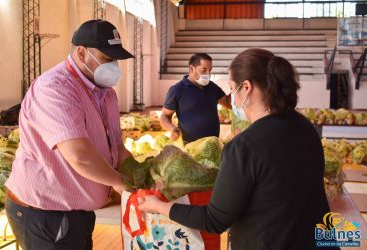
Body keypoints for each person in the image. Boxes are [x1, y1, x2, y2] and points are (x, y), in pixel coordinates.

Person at [139, 48, 338, 250]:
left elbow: (214, 220)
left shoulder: (244, 147)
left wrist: (160, 207)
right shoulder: (305, 127)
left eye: (233, 89)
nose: (231, 97)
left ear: (246, 88)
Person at [5, 19, 134, 250]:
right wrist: (120, 182)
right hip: (45, 213)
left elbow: (117, 146)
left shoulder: (107, 95)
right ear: (82, 53)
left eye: (115, 59)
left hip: (77, 212)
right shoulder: (55, 88)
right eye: (107, 59)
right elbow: (80, 156)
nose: (113, 66)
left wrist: (139, 175)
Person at [160, 53, 231, 143]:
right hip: (189, 146)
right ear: (191, 69)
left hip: (212, 145)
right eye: (204, 70)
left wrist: (236, 85)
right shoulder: (177, 90)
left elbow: (229, 103)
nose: (208, 74)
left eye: (210, 70)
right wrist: (172, 128)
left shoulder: (212, 87)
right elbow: (164, 116)